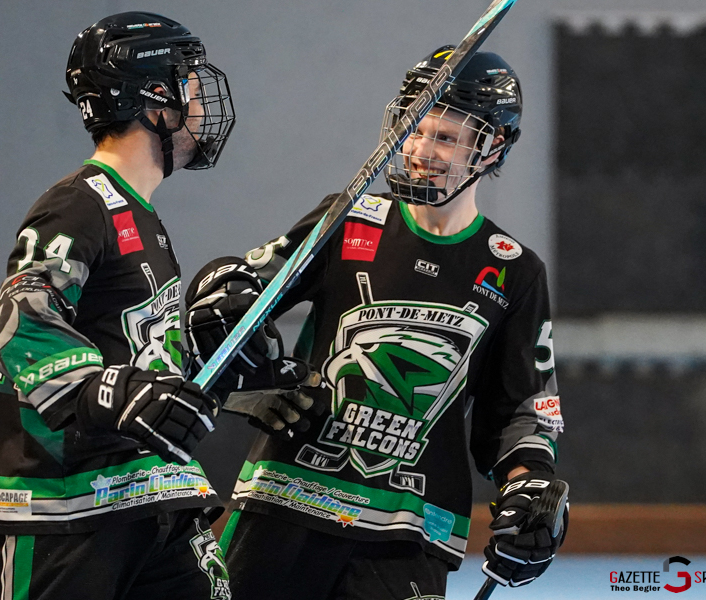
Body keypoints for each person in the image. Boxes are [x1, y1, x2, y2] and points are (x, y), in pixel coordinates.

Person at [185, 48, 568, 599]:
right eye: (415, 129)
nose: (420, 151)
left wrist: (529, 486)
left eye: (445, 137)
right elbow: (234, 308)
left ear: (493, 147)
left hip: (408, 533)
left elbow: (521, 411)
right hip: (287, 505)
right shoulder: (347, 220)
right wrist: (250, 374)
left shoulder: (514, 270)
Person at [0, 12, 262, 600]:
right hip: (68, 507)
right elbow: (21, 323)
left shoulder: (139, 214)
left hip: (150, 494)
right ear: (155, 100)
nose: (200, 102)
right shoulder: (77, 205)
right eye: (189, 83)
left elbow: (132, 351)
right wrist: (114, 391)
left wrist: (214, 354)